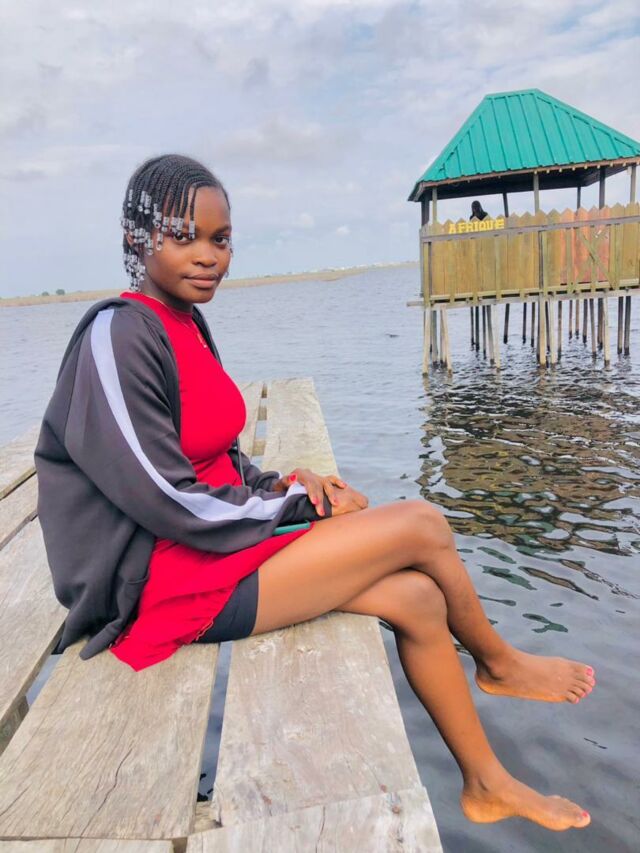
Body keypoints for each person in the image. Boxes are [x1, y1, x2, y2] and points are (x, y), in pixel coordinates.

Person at [35, 154, 594, 833]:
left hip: (201, 552)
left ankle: (486, 784)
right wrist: (296, 507)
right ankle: (498, 662)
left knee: (419, 598)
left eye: (221, 238)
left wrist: (281, 483)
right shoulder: (116, 335)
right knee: (421, 523)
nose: (209, 255)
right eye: (184, 236)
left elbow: (214, 455)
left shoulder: (183, 322)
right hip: (153, 581)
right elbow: (162, 494)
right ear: (137, 238)